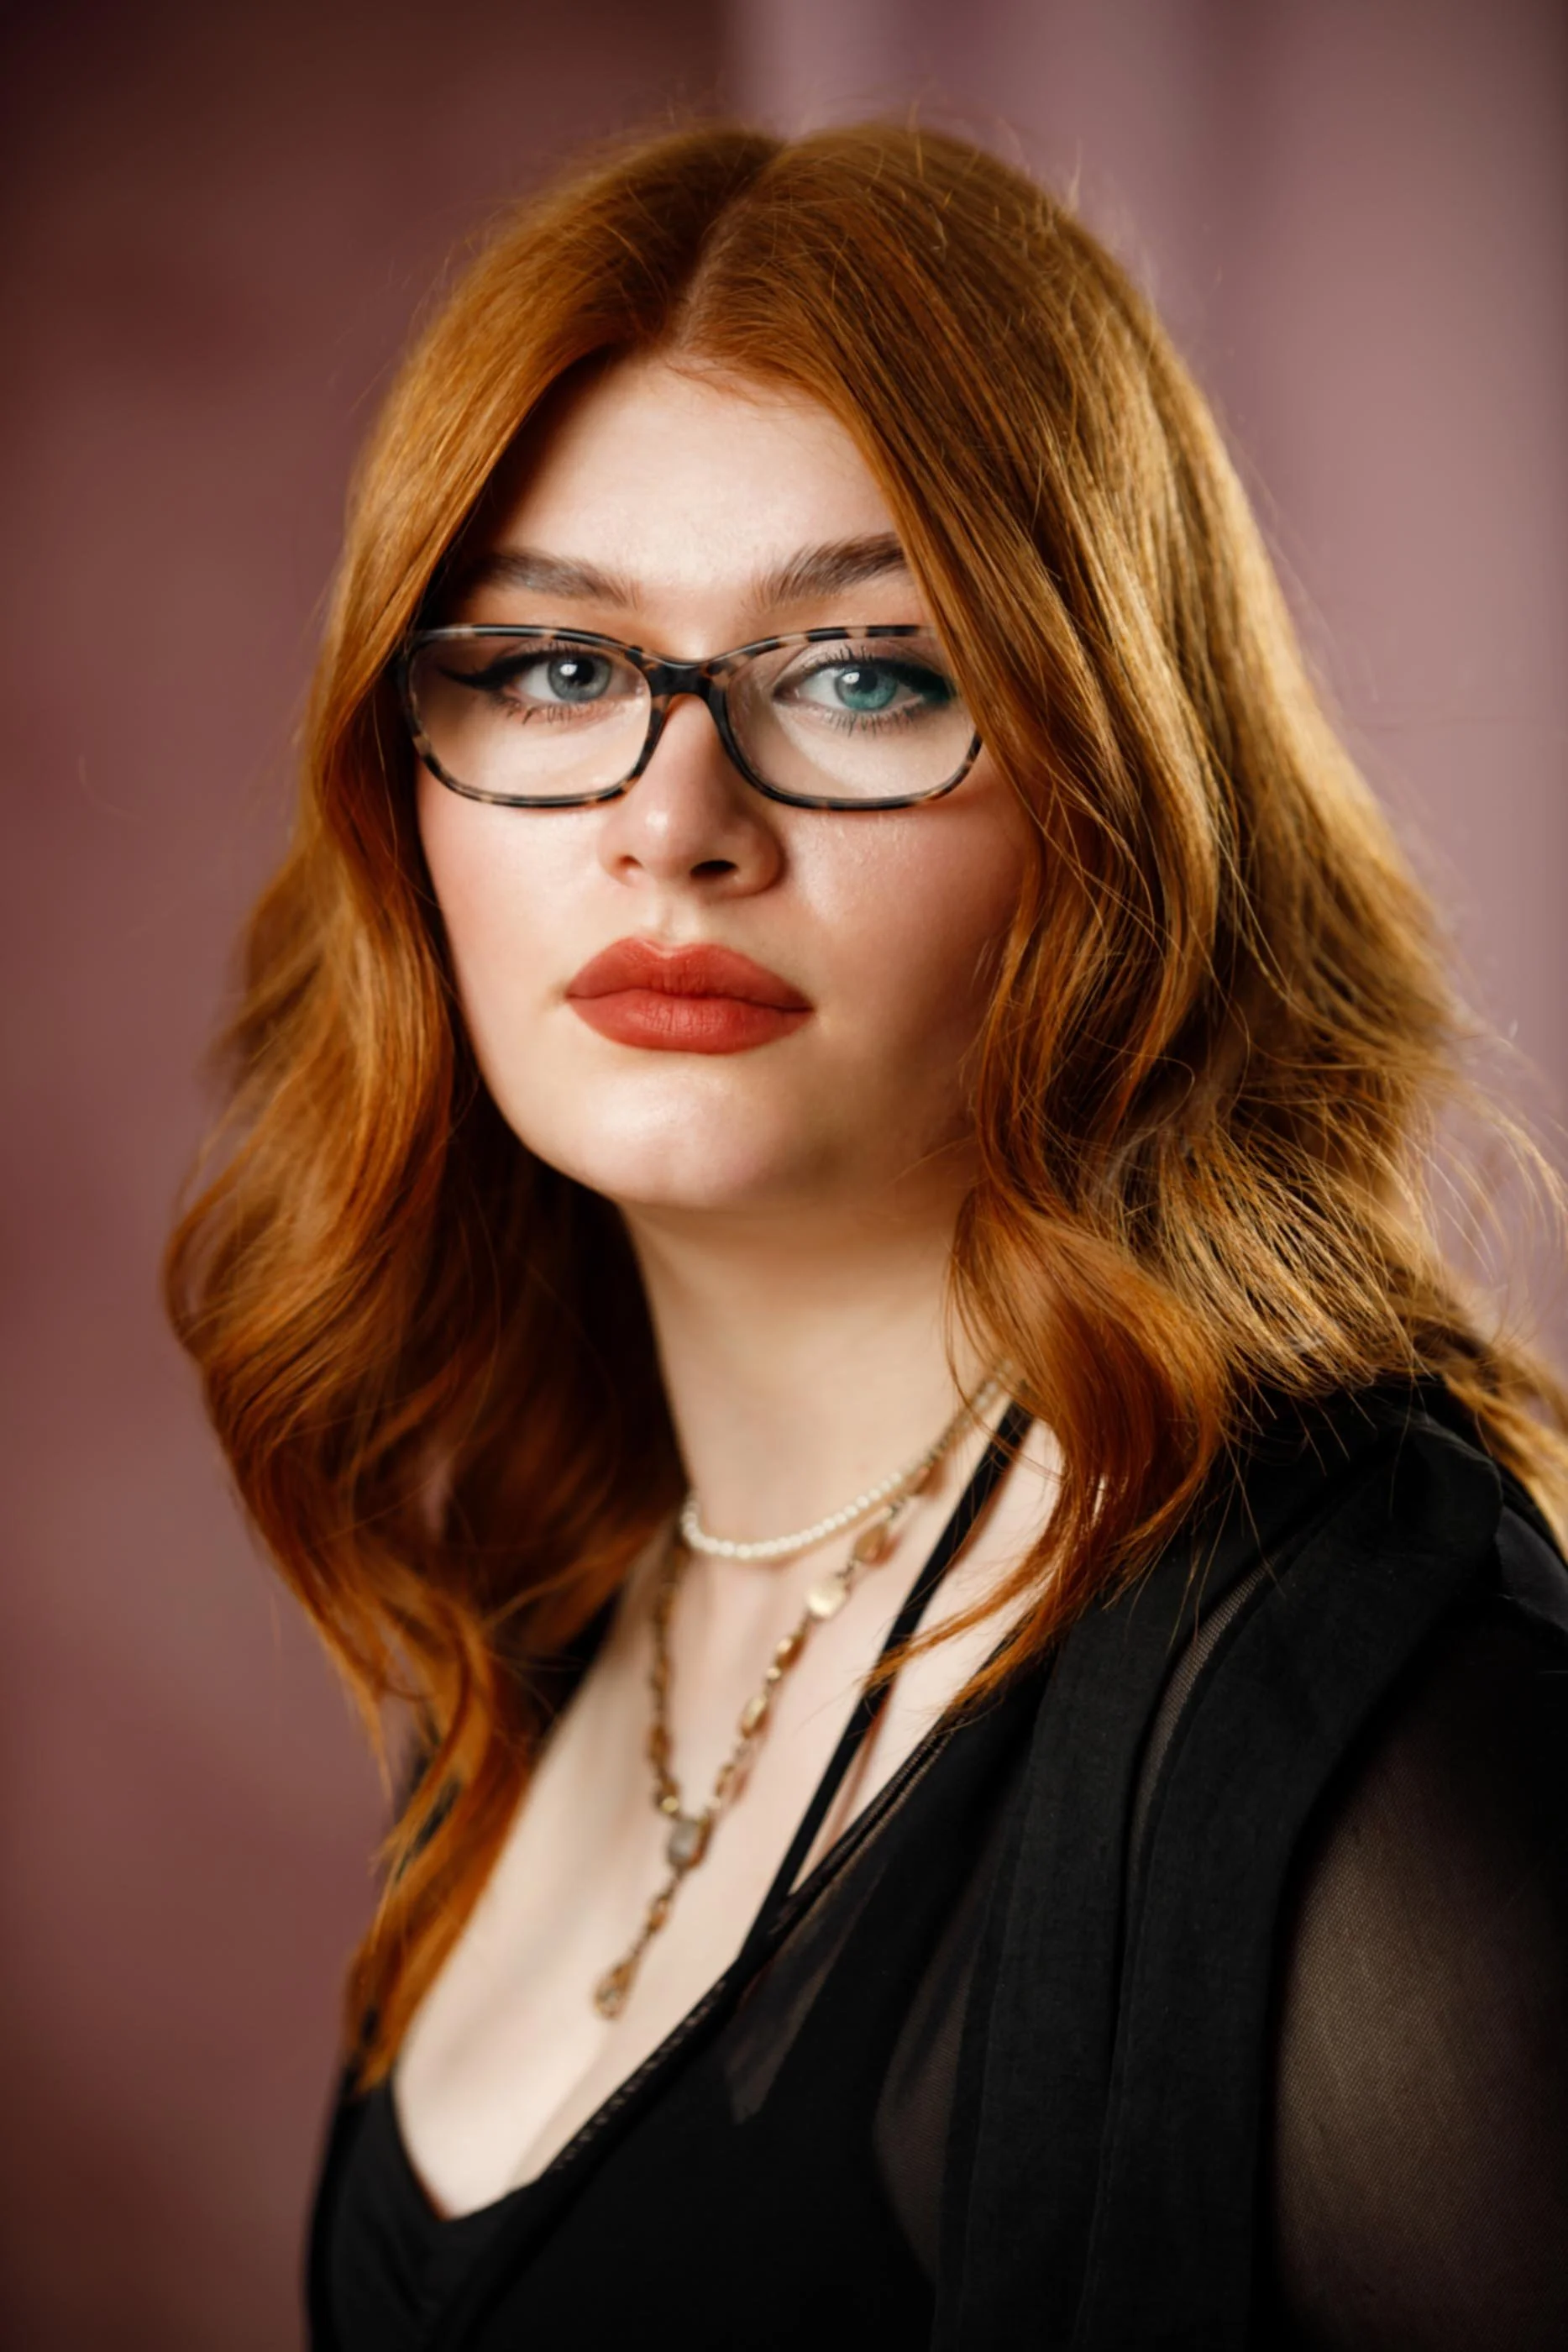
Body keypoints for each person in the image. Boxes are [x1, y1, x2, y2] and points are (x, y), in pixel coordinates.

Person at [165, 123, 1568, 2349]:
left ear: (1121, 797)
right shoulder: (552, 1601)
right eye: (549, 668)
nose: (672, 822)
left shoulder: (1378, 1727)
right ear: (401, 783)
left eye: (864, 677)